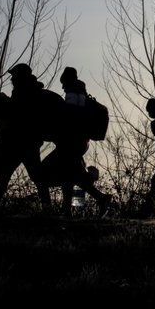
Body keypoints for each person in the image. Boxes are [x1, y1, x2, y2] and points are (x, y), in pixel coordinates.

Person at [39, 66, 112, 217]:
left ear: (67, 79)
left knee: (44, 172)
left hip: (71, 142)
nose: (63, 87)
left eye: (63, 82)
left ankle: (63, 208)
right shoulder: (81, 93)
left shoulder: (74, 93)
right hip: (78, 142)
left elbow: (71, 117)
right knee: (71, 175)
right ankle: (74, 207)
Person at [0, 63, 53, 210]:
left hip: (22, 141)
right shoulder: (28, 90)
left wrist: (3, 102)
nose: (12, 78)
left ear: (20, 77)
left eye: (14, 75)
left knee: (7, 175)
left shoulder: (25, 92)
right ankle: (47, 207)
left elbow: (18, 113)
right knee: (35, 176)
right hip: (27, 141)